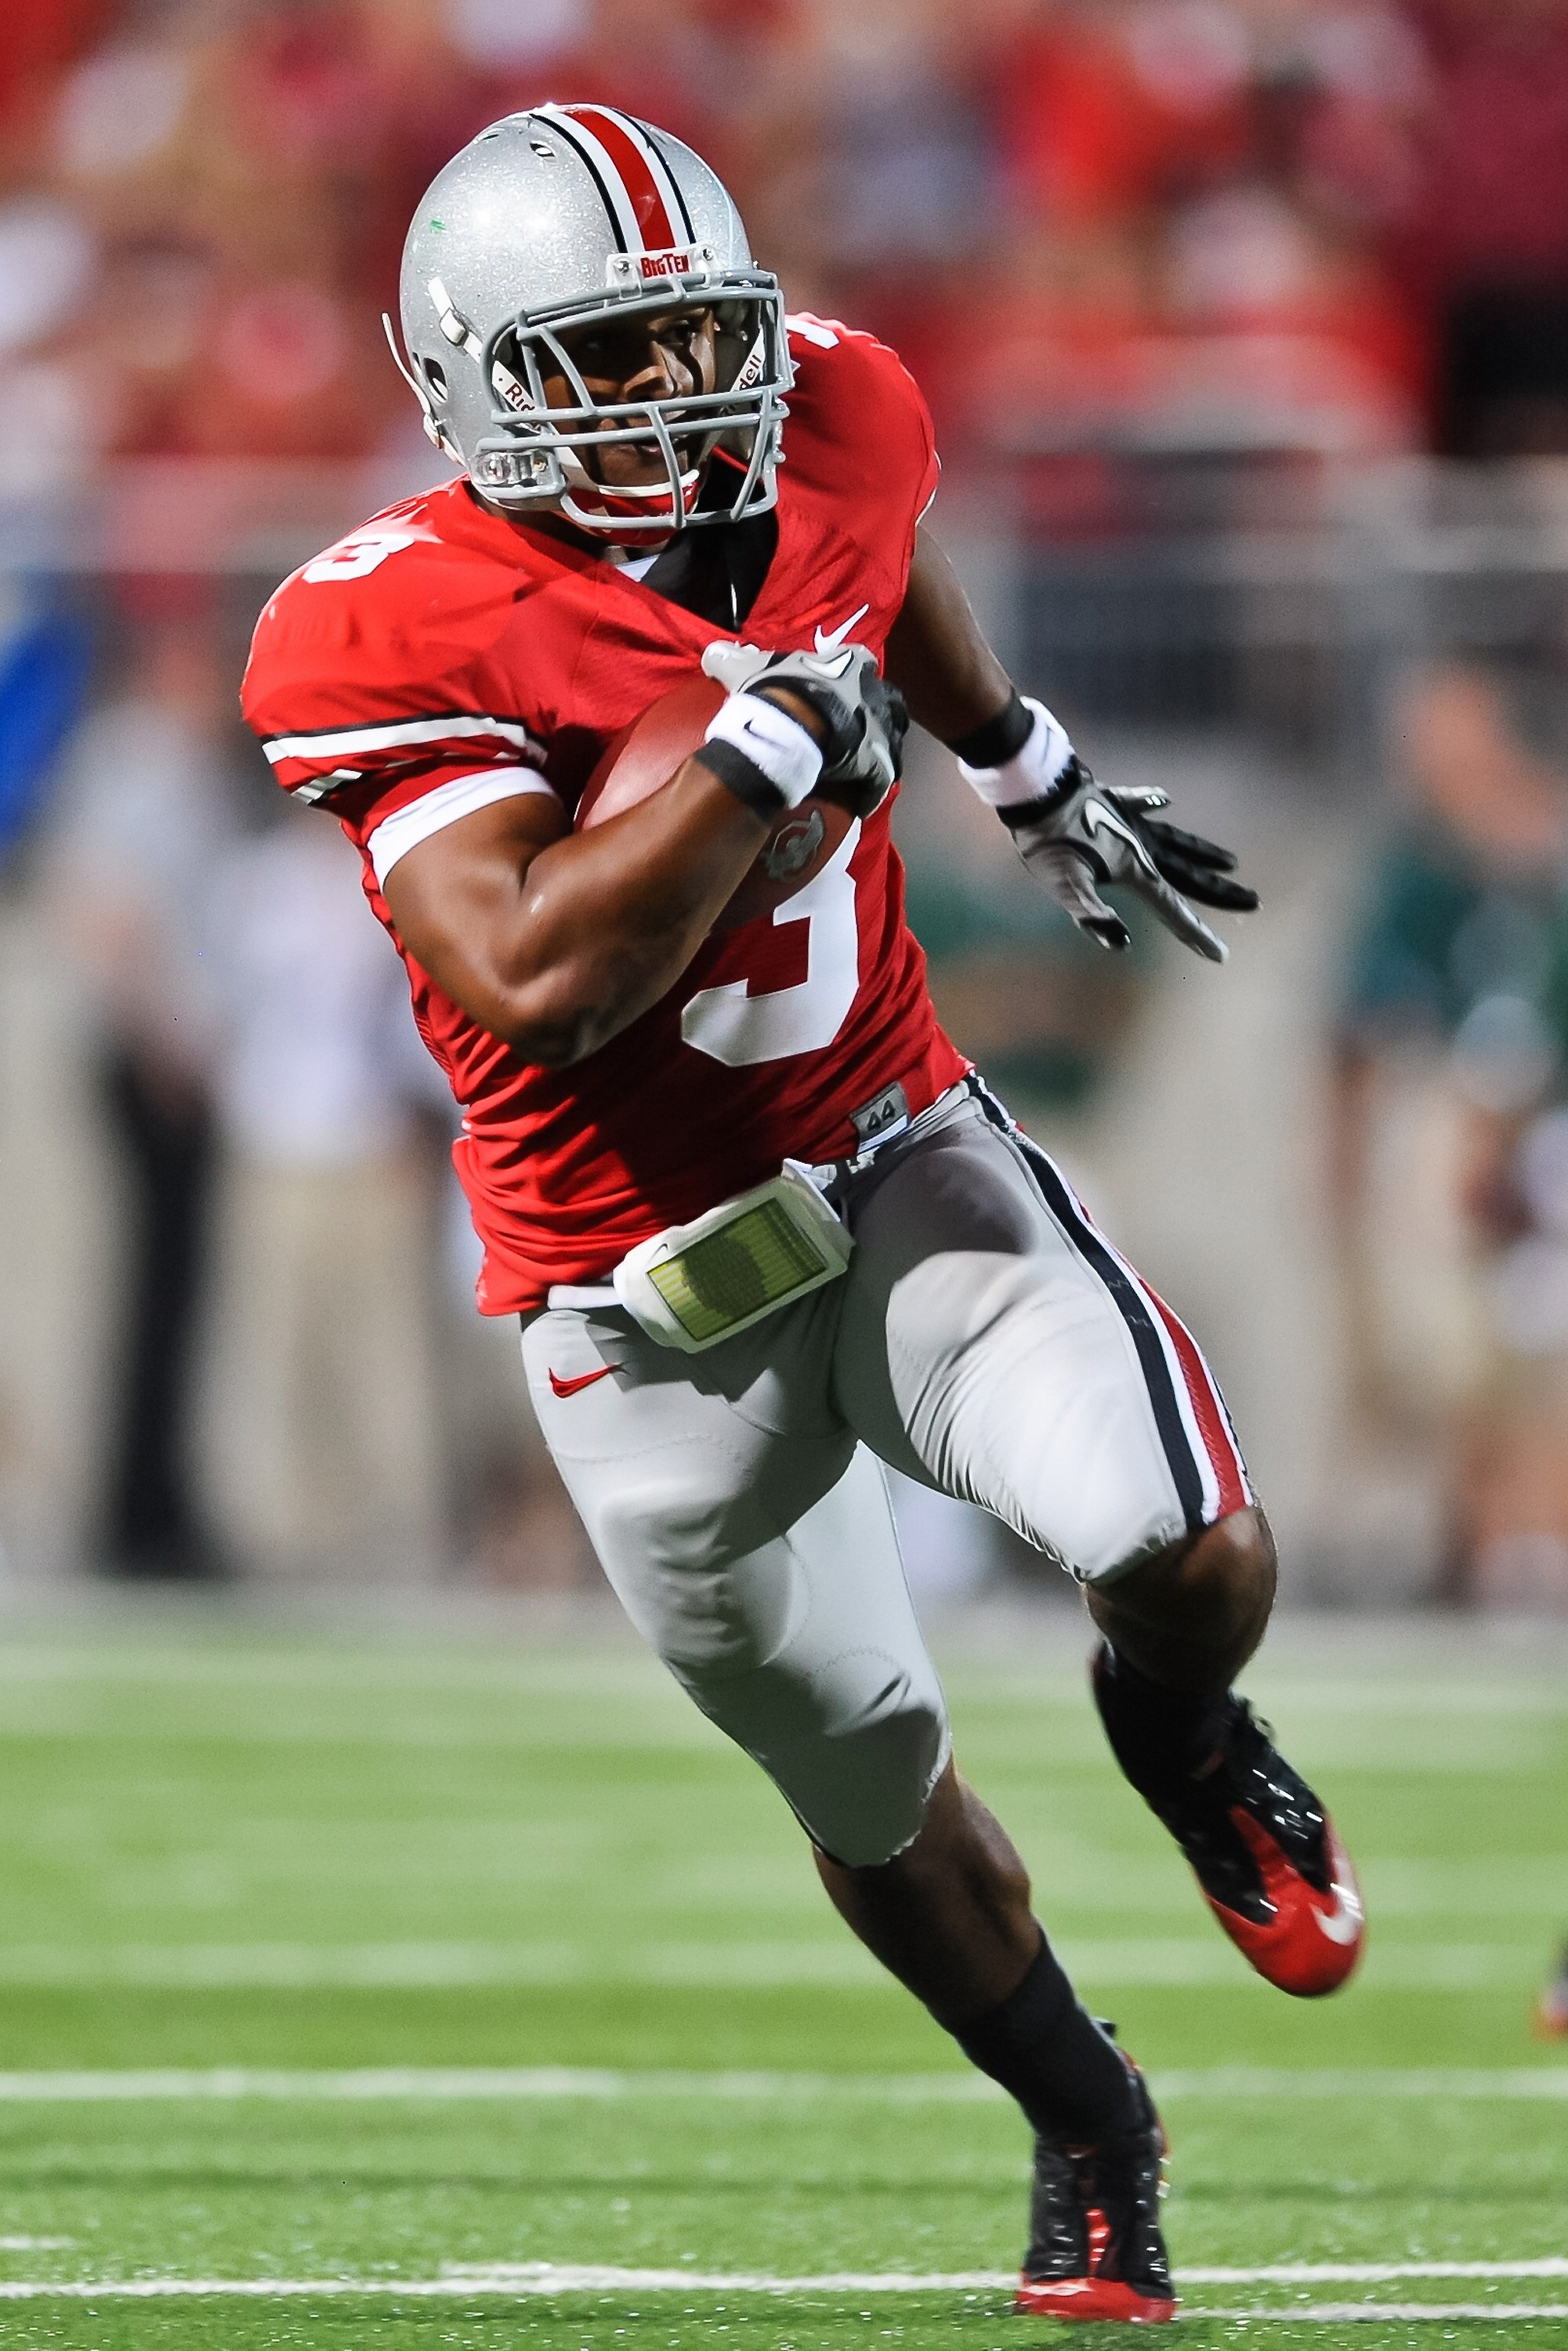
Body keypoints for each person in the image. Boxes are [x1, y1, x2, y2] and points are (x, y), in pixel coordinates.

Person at [242, 104, 1364, 2324]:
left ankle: (1182, 1735)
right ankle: (1089, 2122)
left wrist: (1016, 758)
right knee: (871, 1792)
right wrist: (760, 756)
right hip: (634, 1294)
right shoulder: (379, 630)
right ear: (469, 377)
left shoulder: (833, 405)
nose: (677, 398)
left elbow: (874, 552)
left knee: (1188, 1545)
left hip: (897, 1156)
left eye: (695, 337)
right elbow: (546, 984)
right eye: (606, 357)